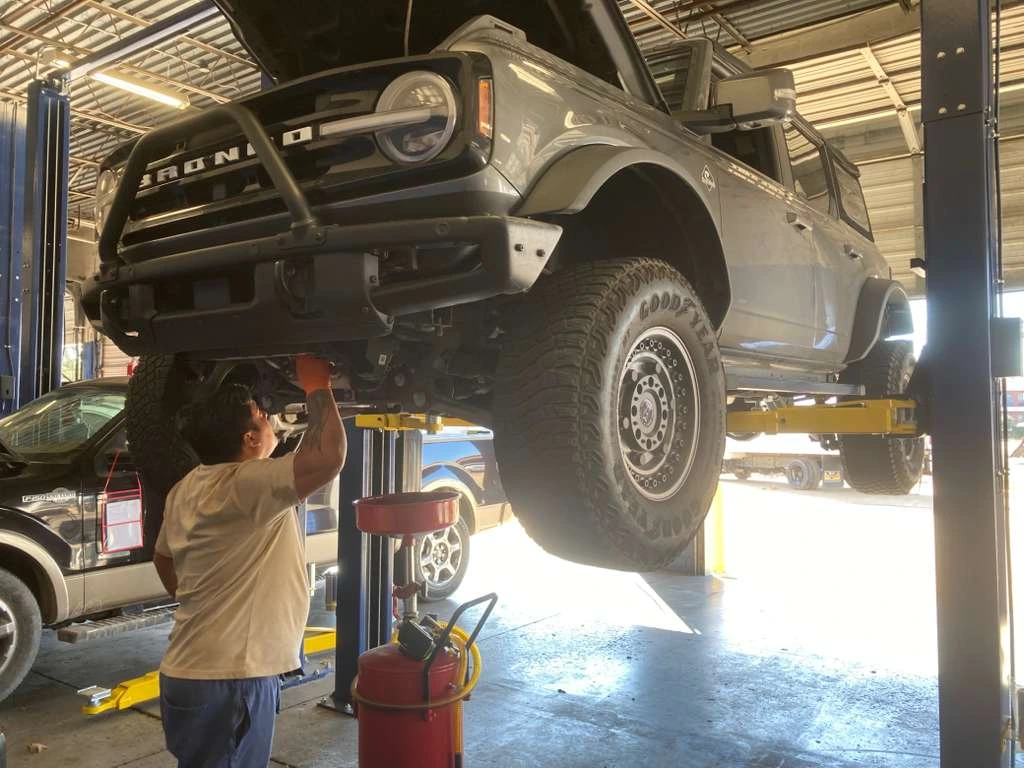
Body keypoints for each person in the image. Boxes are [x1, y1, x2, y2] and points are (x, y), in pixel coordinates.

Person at [151, 355, 348, 768]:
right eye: (262, 416)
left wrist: (205, 602)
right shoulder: (249, 483)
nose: (270, 419)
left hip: (188, 674)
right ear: (250, 439)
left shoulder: (187, 488)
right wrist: (316, 385)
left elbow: (162, 557)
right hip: (230, 680)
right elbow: (329, 457)